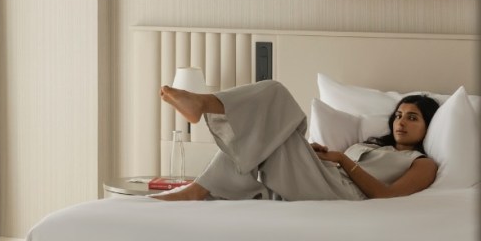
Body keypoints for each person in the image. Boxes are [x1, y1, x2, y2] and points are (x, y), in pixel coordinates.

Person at [154, 79, 439, 202]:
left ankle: (203, 106)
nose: (401, 122)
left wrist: (341, 158)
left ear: (428, 127)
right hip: (322, 175)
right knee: (259, 130)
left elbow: (386, 197)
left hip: (342, 194)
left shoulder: (422, 163)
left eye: (412, 118)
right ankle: (198, 189)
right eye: (399, 115)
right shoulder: (373, 145)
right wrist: (314, 154)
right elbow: (338, 165)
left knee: (276, 93)